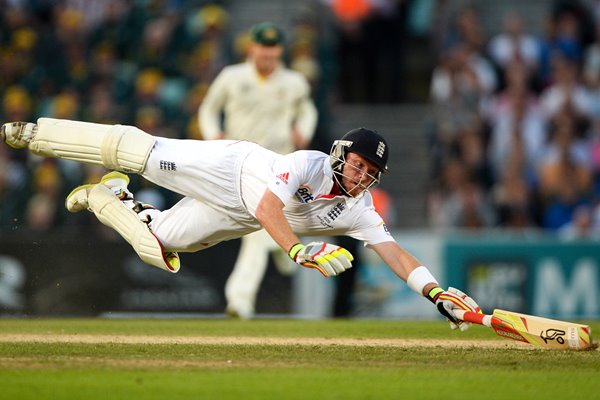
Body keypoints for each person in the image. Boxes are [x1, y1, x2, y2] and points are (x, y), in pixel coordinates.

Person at [0, 119, 481, 329]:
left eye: (370, 174)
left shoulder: (359, 208)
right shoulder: (308, 164)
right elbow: (272, 209)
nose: (361, 178)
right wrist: (298, 251)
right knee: (136, 152)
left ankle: (107, 196)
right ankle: (37, 134)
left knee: (159, 244)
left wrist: (435, 291)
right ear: (339, 155)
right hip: (231, 169)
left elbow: (393, 251)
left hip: (238, 213)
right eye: (357, 166)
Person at [198, 22, 318, 319]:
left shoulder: (294, 82)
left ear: (279, 50)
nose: (268, 55)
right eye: (263, 49)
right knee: (260, 228)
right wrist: (213, 135)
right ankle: (284, 247)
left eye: (273, 50)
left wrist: (304, 129)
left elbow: (307, 109)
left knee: (259, 228)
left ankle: (240, 298)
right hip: (242, 160)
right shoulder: (232, 77)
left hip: (280, 162)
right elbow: (208, 109)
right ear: (251, 48)